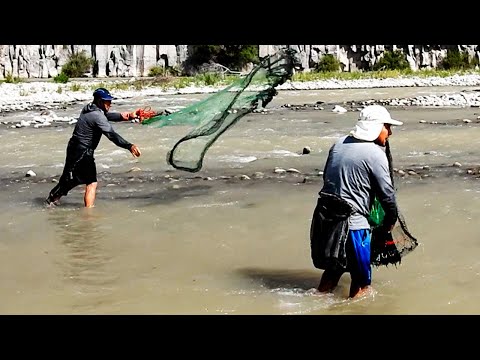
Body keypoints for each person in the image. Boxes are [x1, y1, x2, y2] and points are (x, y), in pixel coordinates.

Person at [310, 104, 403, 299]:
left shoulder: (338, 144)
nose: (390, 132)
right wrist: (390, 220)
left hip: (326, 221)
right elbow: (387, 194)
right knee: (361, 286)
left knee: (333, 271)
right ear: (377, 127)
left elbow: (328, 177)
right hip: (354, 227)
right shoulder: (375, 154)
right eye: (388, 126)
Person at [45, 87, 142, 208]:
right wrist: (129, 146)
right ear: (100, 101)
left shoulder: (89, 109)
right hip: (83, 151)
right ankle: (88, 215)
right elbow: (111, 134)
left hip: (74, 148)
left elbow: (108, 116)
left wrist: (129, 116)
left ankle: (51, 200)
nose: (110, 104)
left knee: (72, 179)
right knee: (91, 183)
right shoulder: (97, 116)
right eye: (108, 101)